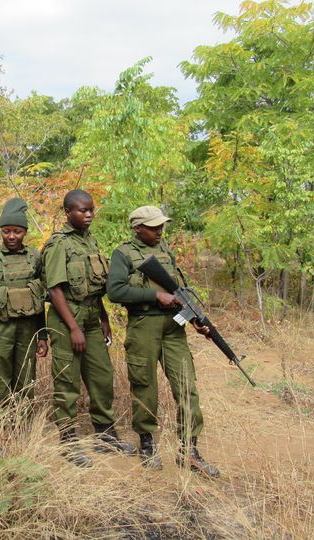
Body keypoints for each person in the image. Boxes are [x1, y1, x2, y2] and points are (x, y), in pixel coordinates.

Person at [106, 205, 219, 478]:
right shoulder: (123, 254)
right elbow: (115, 290)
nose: (159, 231)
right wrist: (154, 296)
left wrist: (196, 321)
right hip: (144, 326)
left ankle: (189, 451)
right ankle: (147, 444)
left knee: (187, 386)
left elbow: (178, 290)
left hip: (173, 327)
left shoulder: (165, 252)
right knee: (145, 386)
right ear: (137, 228)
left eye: (161, 226)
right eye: (153, 227)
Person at [42, 189, 136, 467]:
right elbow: (55, 289)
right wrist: (73, 328)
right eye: (82, 210)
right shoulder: (58, 244)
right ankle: (69, 441)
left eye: (91, 210)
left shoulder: (90, 241)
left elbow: (96, 288)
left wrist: (104, 318)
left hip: (91, 317)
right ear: (67, 212)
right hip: (66, 318)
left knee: (102, 376)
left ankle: (106, 435)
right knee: (67, 381)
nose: (89, 215)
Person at [0, 198, 48, 411]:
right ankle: (0, 427)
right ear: (1, 231)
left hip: (27, 329)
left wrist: (42, 335)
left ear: (25, 232)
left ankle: (23, 427)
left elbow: (39, 300)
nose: (12, 236)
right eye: (6, 231)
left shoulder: (35, 258)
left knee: (26, 377)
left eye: (17, 231)